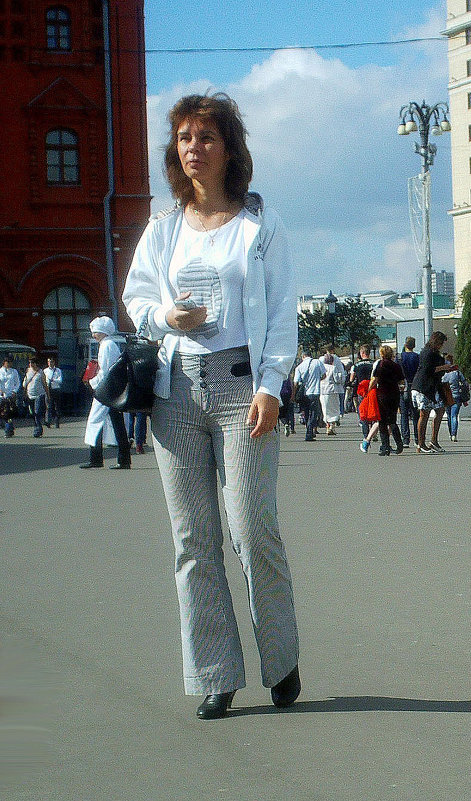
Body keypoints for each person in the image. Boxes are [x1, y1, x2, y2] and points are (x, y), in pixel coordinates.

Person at [121, 93, 301, 721]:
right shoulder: (164, 228)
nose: (192, 148)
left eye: (205, 137)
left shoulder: (259, 222)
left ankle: (281, 660)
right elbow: (136, 299)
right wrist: (164, 315)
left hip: (242, 389)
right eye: (184, 138)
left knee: (253, 530)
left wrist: (272, 386)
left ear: (229, 149)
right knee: (193, 539)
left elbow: (282, 312)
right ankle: (214, 673)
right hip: (176, 392)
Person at [81, 317, 132, 468]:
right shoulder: (109, 344)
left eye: (95, 332)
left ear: (102, 331)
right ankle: (123, 459)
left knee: (95, 421)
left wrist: (92, 382)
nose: (94, 335)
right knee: (117, 423)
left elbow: (106, 371)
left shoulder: (107, 345)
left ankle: (96, 458)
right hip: (111, 389)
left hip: (106, 390)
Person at [411, 331, 452, 453]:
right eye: (440, 343)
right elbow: (427, 370)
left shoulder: (434, 353)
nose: (441, 346)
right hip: (423, 387)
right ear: (435, 342)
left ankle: (433, 441)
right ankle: (421, 443)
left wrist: (446, 368)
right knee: (424, 414)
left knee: (440, 410)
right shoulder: (427, 353)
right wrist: (443, 367)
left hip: (433, 387)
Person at [371, 344, 405, 455]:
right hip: (394, 394)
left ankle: (385, 446)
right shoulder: (396, 366)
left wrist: (368, 389)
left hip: (382, 394)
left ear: (381, 354)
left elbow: (374, 379)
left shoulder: (380, 365)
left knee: (382, 422)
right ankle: (399, 444)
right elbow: (401, 381)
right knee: (392, 421)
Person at [293, 350, 324, 441]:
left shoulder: (299, 367)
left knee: (306, 412)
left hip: (304, 393)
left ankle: (308, 429)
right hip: (315, 391)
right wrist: (317, 379)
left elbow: (295, 383)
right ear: (311, 355)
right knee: (314, 412)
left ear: (303, 357)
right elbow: (324, 375)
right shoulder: (317, 362)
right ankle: (310, 431)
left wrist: (293, 396)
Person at [442, 353, 468, 442]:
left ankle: (450, 433)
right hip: (456, 396)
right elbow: (465, 383)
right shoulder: (457, 373)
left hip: (446, 397)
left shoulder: (443, 374)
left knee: (449, 416)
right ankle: (454, 435)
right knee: (454, 416)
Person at [399, 337, 420, 447]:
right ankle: (417, 438)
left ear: (405, 345)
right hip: (414, 386)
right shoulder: (417, 357)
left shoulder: (400, 357)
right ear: (414, 345)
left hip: (403, 387)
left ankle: (406, 439)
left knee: (404, 414)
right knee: (415, 414)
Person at [319, 347, 345, 435]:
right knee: (334, 408)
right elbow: (337, 379)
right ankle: (332, 426)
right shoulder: (333, 368)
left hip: (323, 390)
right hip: (332, 390)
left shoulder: (322, 368)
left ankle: (327, 426)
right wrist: (340, 376)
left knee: (325, 409)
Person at [350, 345, 374, 433]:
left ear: (362, 353)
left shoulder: (356, 365)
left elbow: (351, 379)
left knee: (363, 411)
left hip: (362, 390)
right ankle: (373, 429)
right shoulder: (374, 363)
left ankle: (365, 432)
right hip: (372, 389)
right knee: (372, 409)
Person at [23, 357, 48, 438]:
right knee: (32, 413)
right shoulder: (28, 371)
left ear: (36, 363)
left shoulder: (40, 372)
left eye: (32, 363)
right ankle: (37, 425)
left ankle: (37, 429)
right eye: (30, 363)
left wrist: (48, 395)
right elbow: (25, 384)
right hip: (29, 395)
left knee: (37, 412)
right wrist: (25, 393)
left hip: (39, 395)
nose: (30, 365)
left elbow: (45, 384)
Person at [0, 357, 19, 437]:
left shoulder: (14, 371)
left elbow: (17, 383)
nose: (10, 364)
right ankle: (9, 427)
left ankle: (8, 430)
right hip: (1, 395)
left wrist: (14, 391)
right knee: (3, 413)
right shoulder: (0, 371)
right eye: (8, 362)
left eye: (11, 362)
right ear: (4, 362)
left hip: (10, 395)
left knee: (8, 413)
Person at [43, 356, 64, 427]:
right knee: (48, 406)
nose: (50, 363)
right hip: (48, 390)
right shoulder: (45, 371)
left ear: (54, 362)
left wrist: (53, 380)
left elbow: (60, 380)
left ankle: (56, 421)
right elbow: (43, 381)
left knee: (57, 406)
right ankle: (48, 421)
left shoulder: (58, 370)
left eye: (51, 361)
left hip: (56, 389)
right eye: (48, 361)